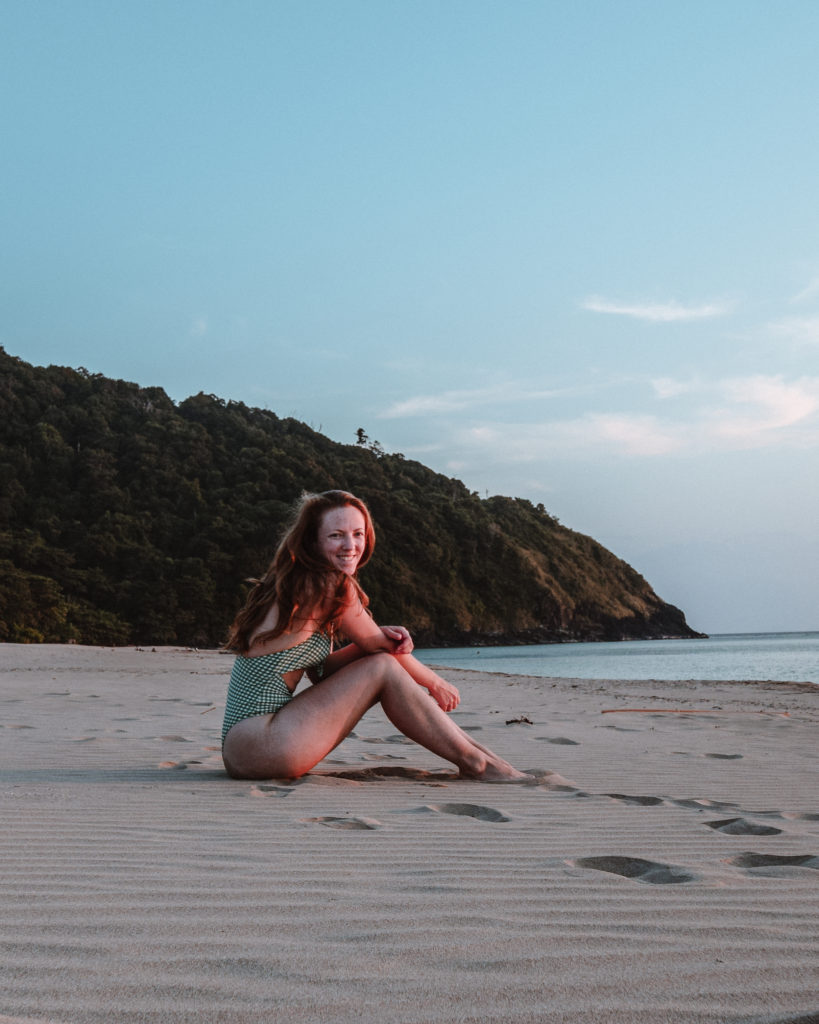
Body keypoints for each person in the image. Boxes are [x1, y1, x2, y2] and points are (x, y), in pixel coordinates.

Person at [221, 489, 532, 782]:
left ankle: (485, 760)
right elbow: (378, 650)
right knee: (383, 666)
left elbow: (321, 673)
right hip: (261, 743)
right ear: (313, 542)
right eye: (336, 535)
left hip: (246, 748)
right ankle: (479, 764)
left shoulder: (298, 584)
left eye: (358, 534)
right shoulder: (326, 585)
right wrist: (435, 683)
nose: (350, 545)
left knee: (380, 662)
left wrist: (372, 642)